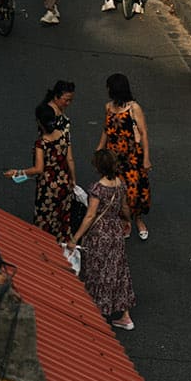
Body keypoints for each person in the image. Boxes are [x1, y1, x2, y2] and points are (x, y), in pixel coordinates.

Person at [71, 149, 136, 330]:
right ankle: (125, 315)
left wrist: (76, 237)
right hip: (115, 231)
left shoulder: (97, 189)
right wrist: (127, 221)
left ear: (98, 167)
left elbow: (90, 216)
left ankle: (97, 313)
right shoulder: (119, 184)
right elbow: (124, 207)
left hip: (99, 234)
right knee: (118, 270)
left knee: (97, 271)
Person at [5, 103, 76, 246]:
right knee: (62, 218)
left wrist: (17, 172)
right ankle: (62, 247)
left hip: (48, 187)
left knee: (45, 219)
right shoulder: (64, 135)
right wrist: (73, 179)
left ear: (39, 121)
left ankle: (43, 248)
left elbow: (38, 169)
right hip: (64, 182)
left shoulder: (41, 143)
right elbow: (70, 159)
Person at [97, 73, 151, 240]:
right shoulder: (108, 107)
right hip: (114, 157)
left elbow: (143, 134)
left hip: (132, 157)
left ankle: (138, 219)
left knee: (133, 192)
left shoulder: (134, 108)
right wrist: (99, 147)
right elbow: (106, 130)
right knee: (118, 192)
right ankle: (124, 220)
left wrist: (146, 158)